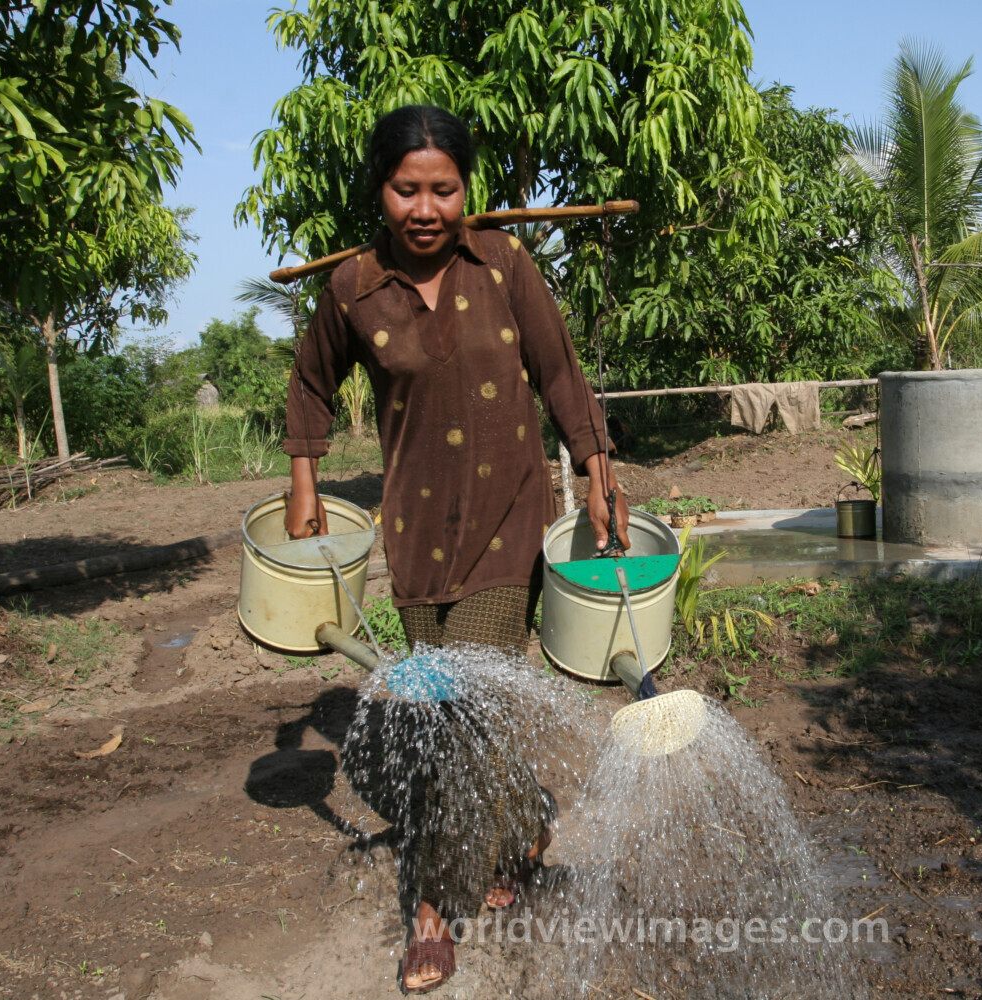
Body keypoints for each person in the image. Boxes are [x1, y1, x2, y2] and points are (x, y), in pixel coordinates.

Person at [281, 104, 629, 994]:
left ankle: (433, 912)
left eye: (445, 189)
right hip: (414, 535)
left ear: (466, 191)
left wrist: (596, 467)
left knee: (451, 720)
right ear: (382, 191)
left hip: (508, 523)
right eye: (408, 190)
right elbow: (312, 383)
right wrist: (305, 480)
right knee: (463, 714)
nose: (426, 208)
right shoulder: (354, 289)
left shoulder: (506, 264)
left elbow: (560, 371)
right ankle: (522, 827)